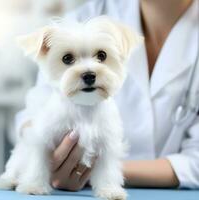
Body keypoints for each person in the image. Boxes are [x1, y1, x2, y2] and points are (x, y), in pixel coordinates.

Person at [15, 0, 199, 190]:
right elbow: (34, 112)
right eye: (69, 59)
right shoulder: (82, 17)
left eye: (100, 56)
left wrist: (99, 169)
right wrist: (45, 156)